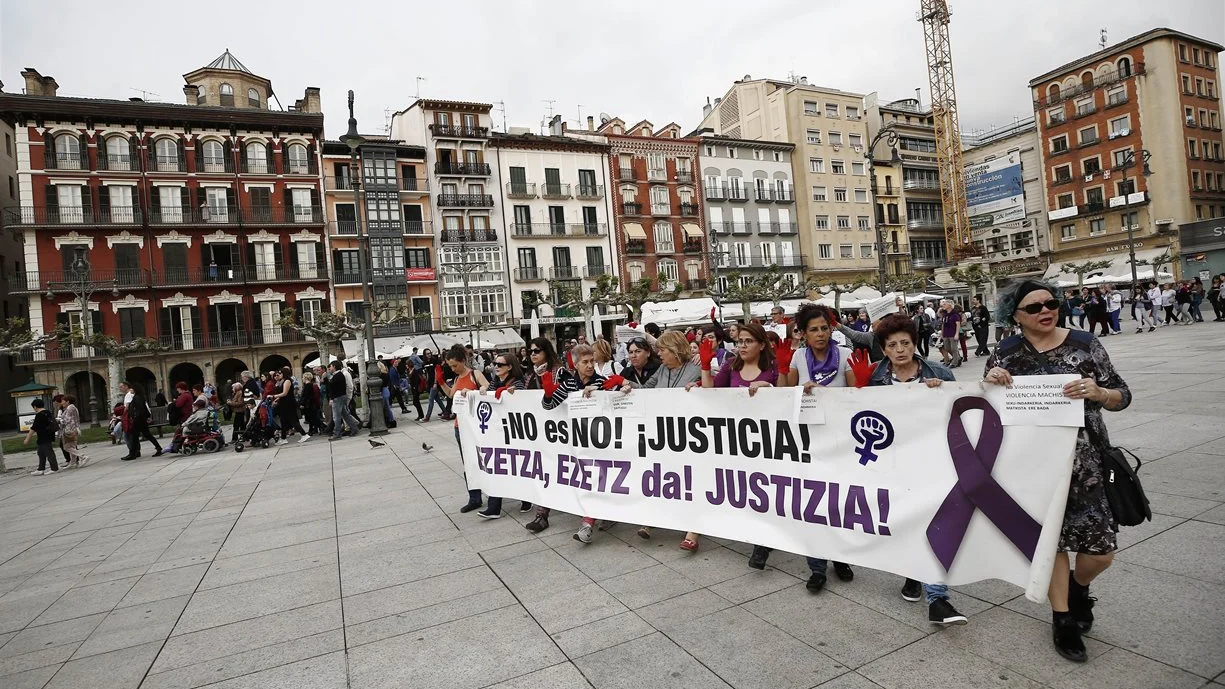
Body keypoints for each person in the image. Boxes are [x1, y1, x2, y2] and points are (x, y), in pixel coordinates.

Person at [983, 279, 1131, 662]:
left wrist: (1100, 393)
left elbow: (1121, 395)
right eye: (1033, 308)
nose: (1045, 311)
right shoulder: (1007, 350)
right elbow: (988, 400)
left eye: (1050, 303)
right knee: (1051, 543)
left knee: (1101, 552)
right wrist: (991, 382)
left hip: (1088, 464)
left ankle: (1079, 588)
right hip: (1033, 464)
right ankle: (1062, 618)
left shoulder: (1085, 343)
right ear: (1014, 316)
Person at [864, 313, 968, 626]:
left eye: (905, 343)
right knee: (905, 523)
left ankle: (938, 599)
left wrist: (941, 394)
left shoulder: (939, 373)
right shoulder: (874, 378)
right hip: (893, 465)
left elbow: (961, 410)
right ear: (884, 349)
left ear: (914, 344)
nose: (900, 350)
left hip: (933, 463)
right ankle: (913, 573)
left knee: (933, 525)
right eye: (893, 345)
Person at [618, 331, 702, 541]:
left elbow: (714, 385)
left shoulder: (696, 368)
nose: (659, 353)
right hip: (663, 433)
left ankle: (692, 527)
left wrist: (700, 386)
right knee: (661, 477)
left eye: (662, 349)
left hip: (688, 434)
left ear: (674, 349)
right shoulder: (663, 369)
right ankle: (653, 519)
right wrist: (627, 385)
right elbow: (646, 389)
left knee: (688, 480)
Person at [537, 344, 613, 544]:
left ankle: (588, 523)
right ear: (576, 364)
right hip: (579, 441)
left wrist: (597, 391)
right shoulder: (570, 383)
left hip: (601, 441)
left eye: (592, 362)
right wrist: (547, 390)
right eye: (585, 362)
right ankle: (592, 517)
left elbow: (614, 397)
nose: (590, 366)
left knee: (597, 479)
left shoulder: (601, 380)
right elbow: (549, 405)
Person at [476, 353, 532, 519]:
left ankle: (527, 498)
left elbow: (522, 402)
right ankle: (494, 507)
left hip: (514, 433)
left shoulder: (518, 383)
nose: (496, 366)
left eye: (500, 364)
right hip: (497, 432)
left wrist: (513, 394)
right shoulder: (495, 381)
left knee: (517, 466)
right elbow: (489, 397)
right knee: (497, 466)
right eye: (495, 363)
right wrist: (483, 390)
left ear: (510, 367)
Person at [522, 337, 567, 532]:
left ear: (546, 352)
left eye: (537, 351)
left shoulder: (560, 371)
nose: (532, 354)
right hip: (540, 432)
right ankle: (542, 514)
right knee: (544, 471)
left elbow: (568, 394)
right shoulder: (531, 375)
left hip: (560, 430)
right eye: (530, 351)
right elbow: (526, 397)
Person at [441, 345, 490, 514]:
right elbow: (450, 394)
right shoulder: (456, 379)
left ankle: (492, 494)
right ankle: (474, 498)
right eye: (450, 366)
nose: (453, 369)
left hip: (477, 426)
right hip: (460, 426)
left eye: (455, 365)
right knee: (468, 463)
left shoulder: (475, 374)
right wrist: (440, 382)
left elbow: (487, 388)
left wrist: (475, 391)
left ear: (463, 361)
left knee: (484, 461)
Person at [120, 381, 162, 460]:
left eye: (132, 388)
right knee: (147, 434)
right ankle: (158, 448)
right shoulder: (140, 396)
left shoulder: (136, 397)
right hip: (142, 419)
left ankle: (132, 454)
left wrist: (135, 416)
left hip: (139, 419)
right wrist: (148, 416)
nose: (131, 390)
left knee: (134, 436)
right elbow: (145, 408)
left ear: (135, 389)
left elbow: (140, 409)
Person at [270, 367, 308, 444]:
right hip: (284, 403)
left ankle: (304, 434)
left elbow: (285, 393)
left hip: (289, 403)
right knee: (283, 421)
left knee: (293, 420)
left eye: (280, 373)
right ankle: (283, 438)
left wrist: (274, 396)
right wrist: (276, 399)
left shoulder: (287, 381)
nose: (279, 375)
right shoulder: (282, 381)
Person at [327, 360, 361, 440]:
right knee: (345, 414)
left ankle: (337, 433)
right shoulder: (340, 375)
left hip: (337, 397)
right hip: (342, 396)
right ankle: (354, 428)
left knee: (336, 416)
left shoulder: (337, 375)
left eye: (331, 366)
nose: (330, 368)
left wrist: (331, 398)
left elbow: (332, 386)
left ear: (334, 367)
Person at [25, 398, 59, 475]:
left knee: (48, 452)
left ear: (35, 407)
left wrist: (27, 439)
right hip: (49, 434)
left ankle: (54, 468)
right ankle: (41, 469)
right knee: (40, 452)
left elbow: (33, 428)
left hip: (43, 436)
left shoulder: (39, 415)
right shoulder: (48, 412)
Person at [938, 300, 962, 368]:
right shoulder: (945, 315)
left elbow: (958, 324)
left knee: (954, 348)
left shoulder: (955, 314)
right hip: (946, 333)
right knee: (947, 348)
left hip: (952, 333)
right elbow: (943, 324)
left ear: (950, 305)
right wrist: (942, 334)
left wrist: (957, 334)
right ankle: (958, 358)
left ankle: (954, 362)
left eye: (945, 304)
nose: (943, 305)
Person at [300, 372, 323, 436]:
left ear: (305, 378)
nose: (302, 379)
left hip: (309, 405)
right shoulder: (309, 385)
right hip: (310, 404)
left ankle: (323, 427)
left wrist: (302, 404)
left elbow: (306, 396)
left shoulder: (308, 385)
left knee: (313, 418)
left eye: (303, 377)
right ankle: (313, 429)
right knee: (312, 418)